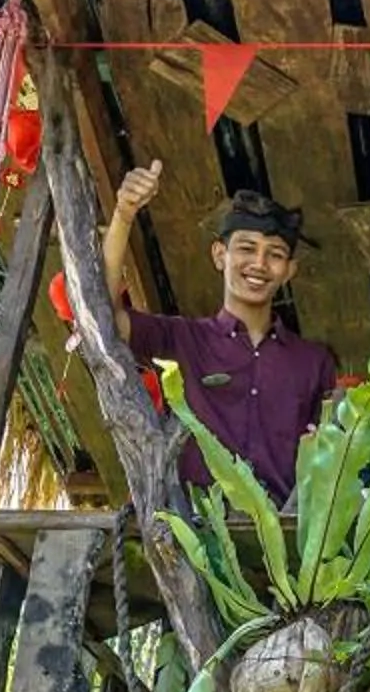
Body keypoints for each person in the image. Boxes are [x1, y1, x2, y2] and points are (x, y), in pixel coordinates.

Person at [104, 163, 337, 503]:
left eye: (275, 255)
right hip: (191, 533)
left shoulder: (314, 362)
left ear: (289, 271)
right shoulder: (179, 339)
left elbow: (327, 458)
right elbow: (102, 315)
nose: (259, 263)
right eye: (246, 248)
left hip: (284, 540)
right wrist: (124, 215)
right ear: (219, 255)